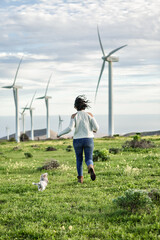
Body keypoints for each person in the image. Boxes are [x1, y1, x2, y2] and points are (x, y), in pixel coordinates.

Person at [57, 95, 99, 183]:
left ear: (75, 106)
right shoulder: (90, 114)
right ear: (84, 106)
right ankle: (90, 167)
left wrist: (59, 134)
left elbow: (70, 128)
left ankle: (80, 179)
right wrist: (93, 130)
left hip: (77, 140)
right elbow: (96, 127)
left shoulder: (74, 116)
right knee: (89, 158)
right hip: (89, 139)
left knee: (79, 159)